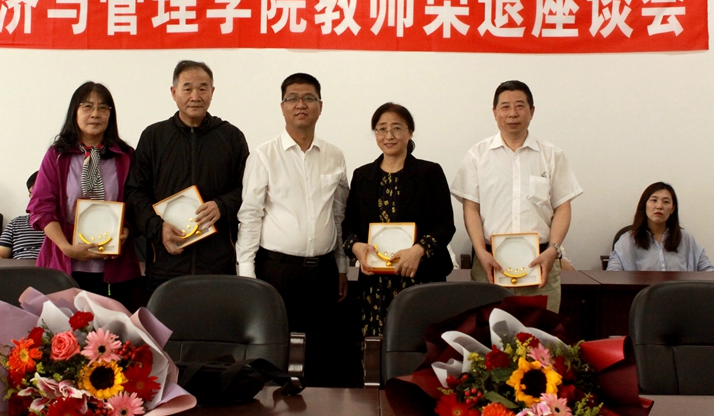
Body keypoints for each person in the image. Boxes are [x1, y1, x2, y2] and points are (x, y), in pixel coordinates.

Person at [236, 73, 349, 386]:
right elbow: (250, 216)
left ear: (320, 106)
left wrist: (341, 266)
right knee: (274, 353)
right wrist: (247, 277)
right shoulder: (263, 155)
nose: (301, 104)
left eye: (309, 98)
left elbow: (339, 215)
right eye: (293, 98)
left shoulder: (335, 156)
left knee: (322, 357)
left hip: (323, 272)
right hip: (277, 271)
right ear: (282, 107)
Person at [451, 80, 582, 312]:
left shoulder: (551, 155)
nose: (512, 113)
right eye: (505, 107)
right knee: (488, 331)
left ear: (532, 111)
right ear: (495, 112)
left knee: (539, 332)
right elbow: (470, 208)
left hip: (541, 263)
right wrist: (480, 252)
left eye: (520, 106)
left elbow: (563, 206)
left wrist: (553, 250)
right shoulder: (477, 155)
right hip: (490, 263)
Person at [125, 60, 248, 292]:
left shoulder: (231, 137)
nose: (195, 96)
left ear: (212, 92)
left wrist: (222, 206)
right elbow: (134, 193)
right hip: (165, 265)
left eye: (202, 88)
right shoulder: (154, 137)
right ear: (173, 92)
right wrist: (157, 228)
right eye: (187, 88)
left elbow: (248, 190)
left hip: (218, 266)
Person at [343, 102, 455, 336]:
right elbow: (348, 225)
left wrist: (418, 250)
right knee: (375, 347)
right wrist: (355, 247)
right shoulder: (362, 176)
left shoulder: (429, 173)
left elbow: (445, 225)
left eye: (396, 128)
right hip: (374, 286)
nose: (389, 135)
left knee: (419, 345)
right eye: (382, 129)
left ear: (410, 132)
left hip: (420, 279)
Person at [28, 82, 141, 305]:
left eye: (103, 108)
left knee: (113, 327)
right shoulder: (57, 155)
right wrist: (66, 248)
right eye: (87, 106)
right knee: (62, 326)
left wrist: (126, 230)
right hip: (64, 264)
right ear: (75, 112)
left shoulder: (126, 156)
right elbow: (41, 206)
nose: (95, 114)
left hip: (115, 267)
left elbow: (138, 203)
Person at [607, 181, 714, 272]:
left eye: (666, 202)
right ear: (644, 205)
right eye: (654, 200)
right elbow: (613, 275)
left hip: (680, 291)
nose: (659, 206)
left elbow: (708, 271)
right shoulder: (627, 240)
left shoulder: (686, 239)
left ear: (672, 209)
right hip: (642, 291)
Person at [0, 172, 45, 259]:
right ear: (30, 195)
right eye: (36, 190)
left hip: (54, 266)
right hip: (20, 266)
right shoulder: (16, 223)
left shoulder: (66, 223)